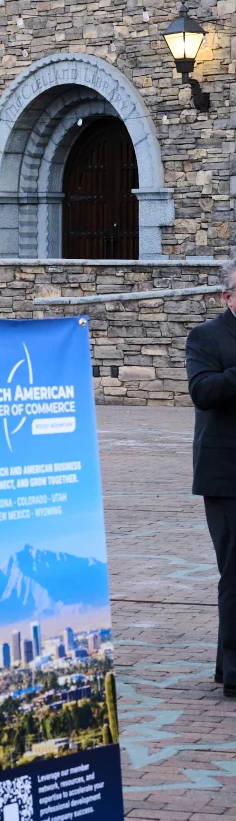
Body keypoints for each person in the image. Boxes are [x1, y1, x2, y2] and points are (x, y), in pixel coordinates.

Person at [186, 256, 236, 698]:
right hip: (227, 474)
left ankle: (226, 665)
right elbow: (203, 391)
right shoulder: (206, 336)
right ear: (228, 296)